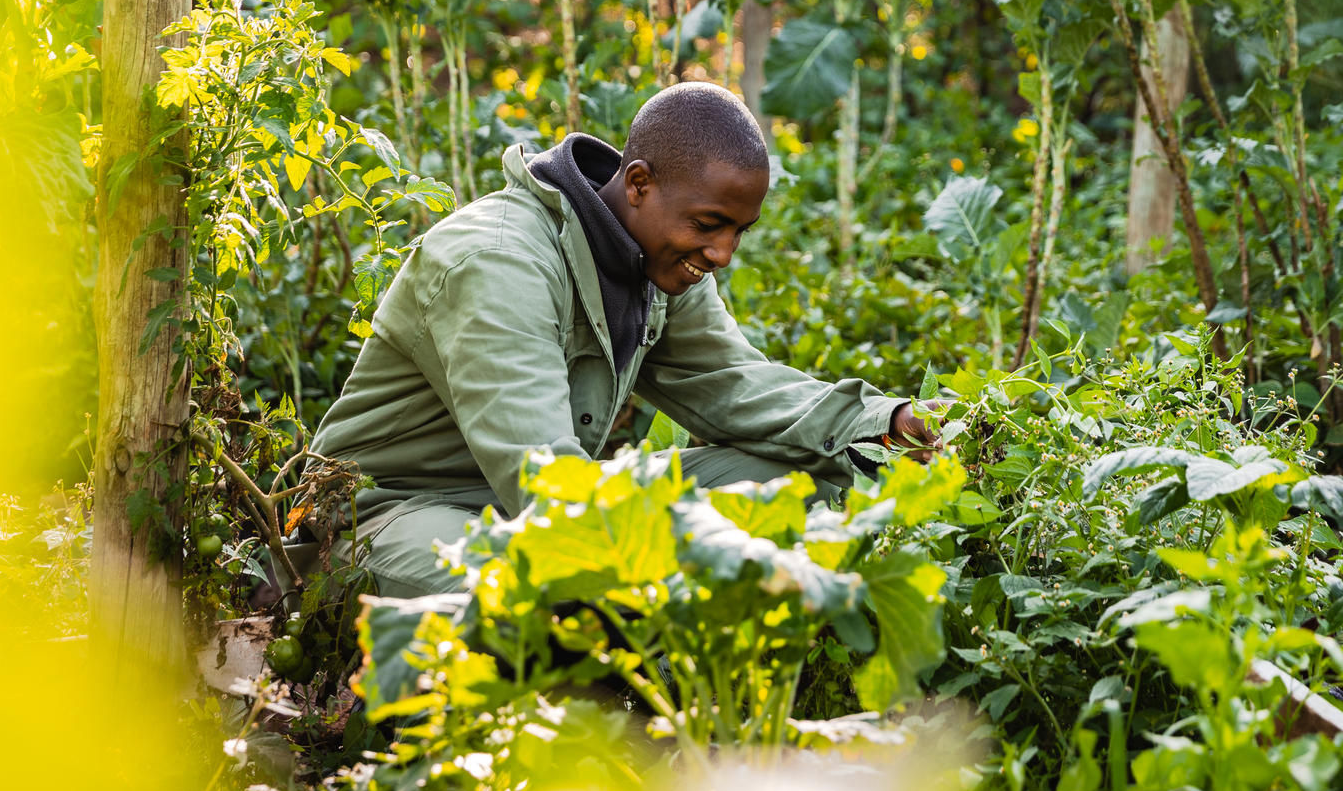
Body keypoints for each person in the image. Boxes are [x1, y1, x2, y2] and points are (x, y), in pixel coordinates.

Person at [308, 81, 937, 598]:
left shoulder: (658, 256)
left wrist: (883, 421)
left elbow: (733, 385)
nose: (722, 253)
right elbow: (548, 487)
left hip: (529, 509)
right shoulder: (497, 263)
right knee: (551, 588)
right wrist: (701, 544)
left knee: (808, 482)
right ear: (637, 184)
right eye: (709, 225)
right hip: (389, 517)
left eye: (739, 231)